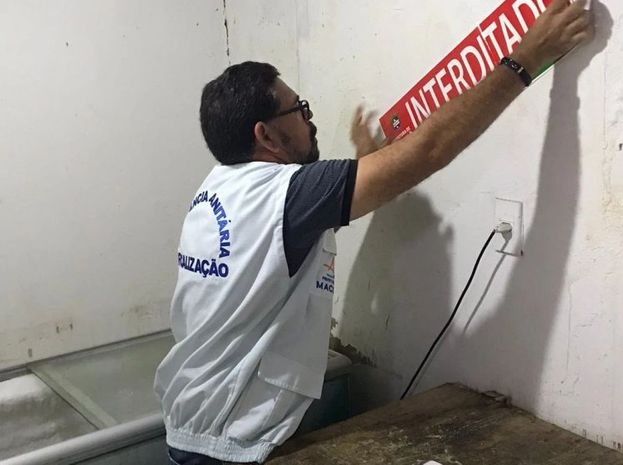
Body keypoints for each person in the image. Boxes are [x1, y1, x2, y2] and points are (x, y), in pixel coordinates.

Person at [155, 1, 594, 463]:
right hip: (226, 442)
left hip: (193, 418)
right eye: (298, 109)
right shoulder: (284, 195)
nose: (309, 119)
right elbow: (429, 149)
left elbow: (293, 226)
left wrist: (367, 165)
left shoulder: (221, 189)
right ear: (266, 135)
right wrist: (525, 60)